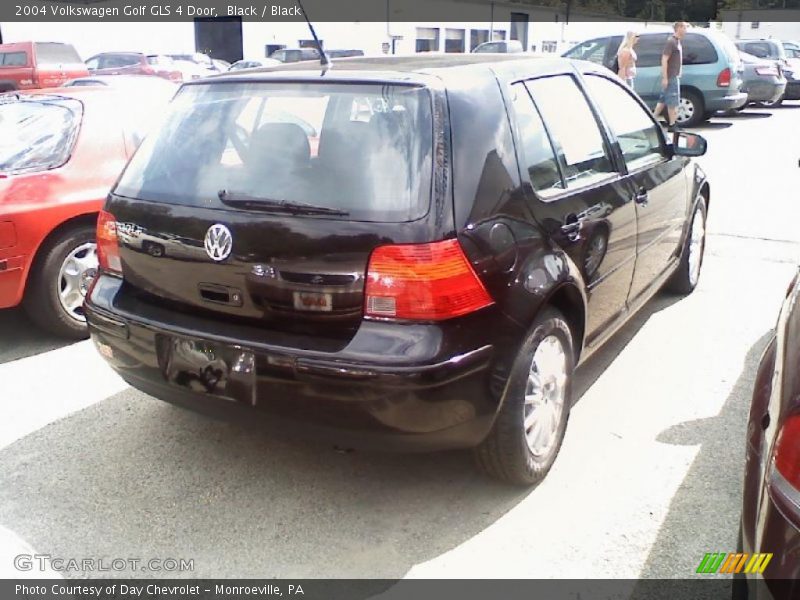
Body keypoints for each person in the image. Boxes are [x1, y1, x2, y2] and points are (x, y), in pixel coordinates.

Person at [653, 21, 688, 131]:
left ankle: (652, 121)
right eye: (684, 28)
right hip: (671, 76)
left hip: (675, 75)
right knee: (672, 101)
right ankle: (672, 125)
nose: (686, 30)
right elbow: (664, 59)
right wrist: (665, 77)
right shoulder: (671, 42)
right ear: (678, 28)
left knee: (662, 101)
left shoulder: (678, 42)